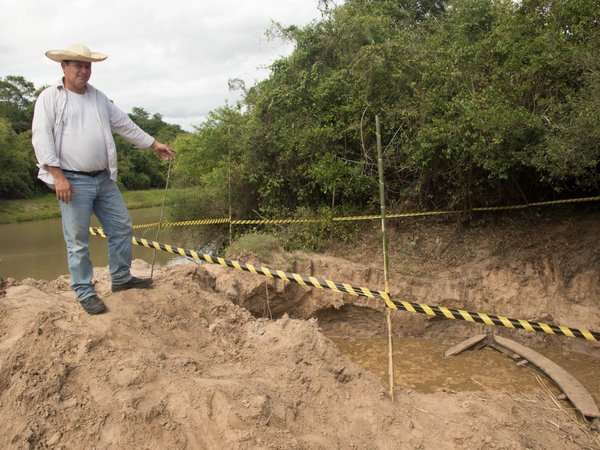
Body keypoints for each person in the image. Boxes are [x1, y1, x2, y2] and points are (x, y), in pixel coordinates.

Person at [32, 43, 177, 315]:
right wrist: (58, 177)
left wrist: (153, 143)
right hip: (72, 180)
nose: (84, 71)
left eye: (87, 66)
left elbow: (124, 124)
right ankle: (85, 291)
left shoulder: (98, 97)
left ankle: (121, 278)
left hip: (103, 178)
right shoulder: (50, 98)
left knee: (122, 227)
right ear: (63, 66)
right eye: (78, 66)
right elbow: (41, 139)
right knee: (77, 240)